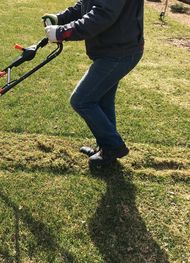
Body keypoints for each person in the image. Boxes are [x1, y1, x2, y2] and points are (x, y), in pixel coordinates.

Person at [43, 0, 144, 167]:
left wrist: (62, 32)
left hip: (119, 52)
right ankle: (107, 151)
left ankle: (114, 146)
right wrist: (60, 18)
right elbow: (87, 3)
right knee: (103, 100)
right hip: (112, 49)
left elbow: (102, 14)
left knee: (81, 100)